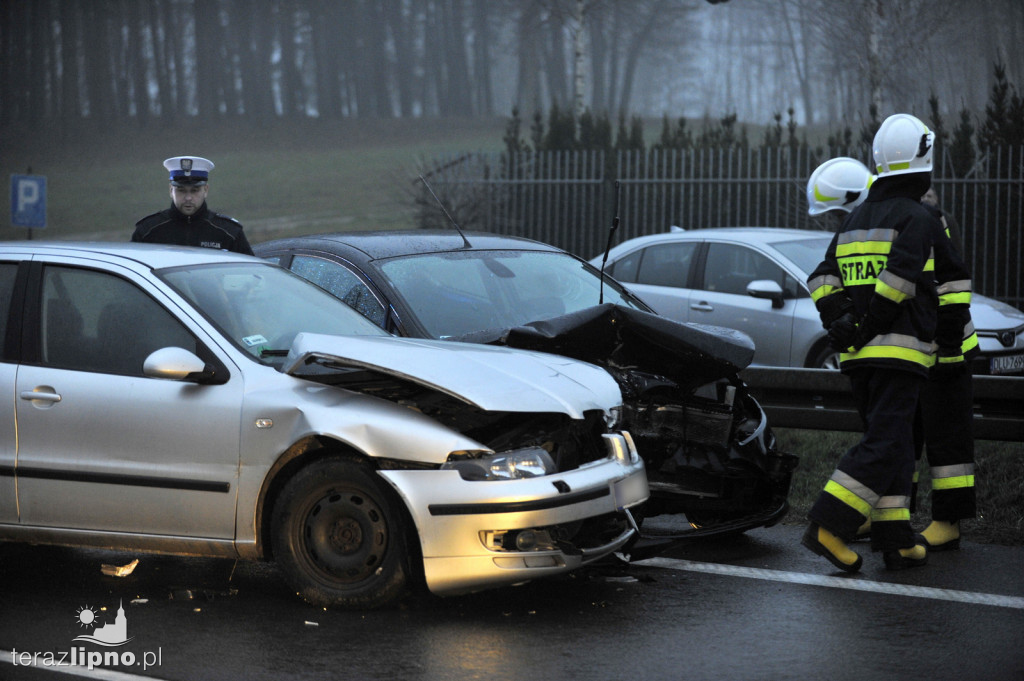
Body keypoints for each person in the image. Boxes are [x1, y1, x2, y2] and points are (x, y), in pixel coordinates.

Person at [802, 113, 956, 572]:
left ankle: (896, 538)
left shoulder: (856, 220)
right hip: (900, 353)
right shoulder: (920, 218)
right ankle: (829, 525)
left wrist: (843, 322)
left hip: (858, 360)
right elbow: (899, 281)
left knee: (894, 443)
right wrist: (867, 323)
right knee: (886, 444)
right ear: (924, 167)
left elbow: (821, 278)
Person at [132, 156, 253, 255]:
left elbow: (250, 275)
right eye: (181, 190)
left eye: (195, 190)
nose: (188, 198)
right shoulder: (148, 231)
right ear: (170, 190)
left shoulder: (228, 232)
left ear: (205, 190)